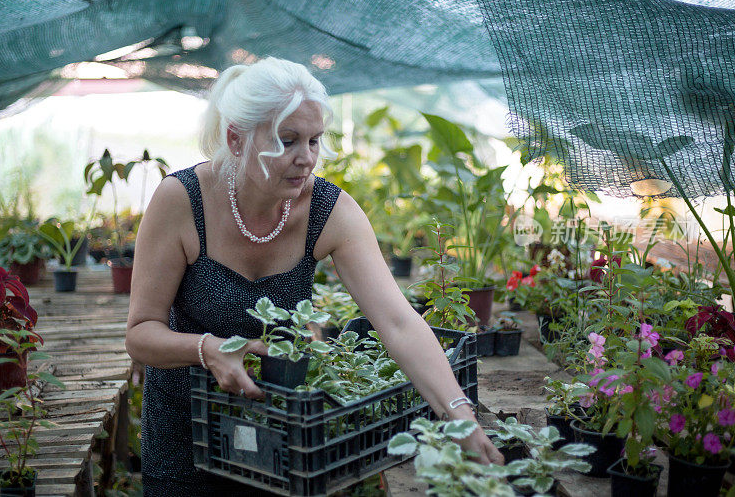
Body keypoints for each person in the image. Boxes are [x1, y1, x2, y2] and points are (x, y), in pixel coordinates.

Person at [125, 57, 503, 496]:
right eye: (287, 141)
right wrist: (207, 349)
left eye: (314, 140)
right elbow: (140, 333)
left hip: (283, 439)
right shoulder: (181, 202)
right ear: (236, 138)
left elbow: (398, 322)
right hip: (184, 435)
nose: (305, 158)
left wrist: (460, 416)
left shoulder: (328, 210)